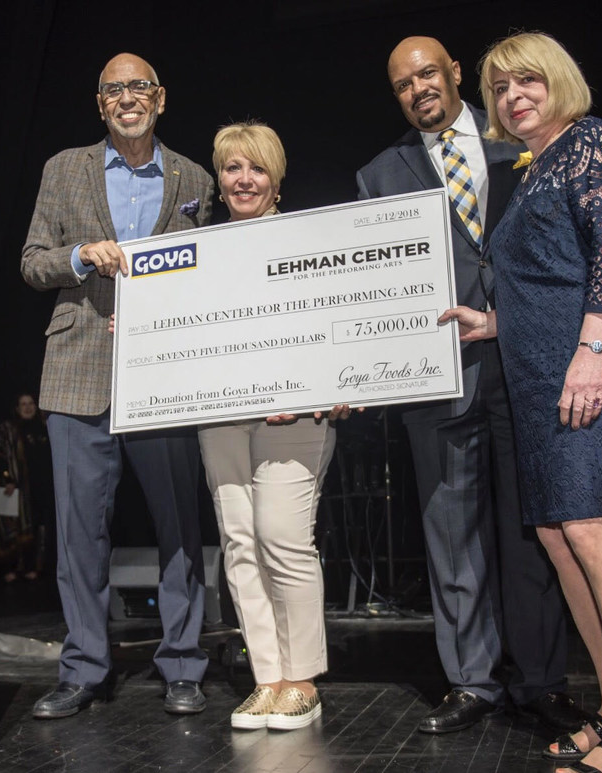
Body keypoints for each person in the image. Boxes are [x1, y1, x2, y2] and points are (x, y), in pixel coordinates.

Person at [440, 31, 602, 773]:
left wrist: (594, 348)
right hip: (540, 372)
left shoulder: (590, 143)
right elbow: (550, 279)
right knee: (559, 536)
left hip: (593, 363)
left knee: (598, 530)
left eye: (527, 81)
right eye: (501, 89)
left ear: (558, 80)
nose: (513, 97)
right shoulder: (536, 167)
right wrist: (494, 323)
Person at [356, 36, 586, 734]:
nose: (418, 87)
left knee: (534, 526)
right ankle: (471, 679)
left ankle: (542, 678)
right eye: (403, 83)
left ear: (455, 72)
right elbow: (373, 286)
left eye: (428, 72)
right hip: (437, 370)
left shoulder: (519, 138)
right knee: (450, 531)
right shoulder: (377, 175)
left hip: (525, 361)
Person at [21, 53, 214, 719]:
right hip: (77, 372)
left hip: (164, 374)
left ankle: (184, 665)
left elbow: (207, 269)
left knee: (180, 528)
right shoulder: (62, 168)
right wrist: (80, 257)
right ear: (100, 103)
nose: (126, 97)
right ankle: (83, 668)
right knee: (79, 535)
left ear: (159, 97)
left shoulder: (194, 176)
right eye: (113, 90)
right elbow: (32, 261)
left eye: (138, 87)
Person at [198, 121, 352, 731]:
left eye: (256, 168)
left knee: (283, 540)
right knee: (240, 544)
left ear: (277, 179)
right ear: (219, 177)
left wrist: (336, 383)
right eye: (233, 168)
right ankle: (267, 677)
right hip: (220, 417)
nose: (244, 179)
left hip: (294, 417)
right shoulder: (202, 251)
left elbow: (339, 319)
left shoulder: (307, 242)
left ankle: (303, 679)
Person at [0, 392, 54, 582]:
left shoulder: (44, 428)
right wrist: (8, 478)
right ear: (17, 408)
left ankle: (33, 567)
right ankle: (10, 568)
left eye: (31, 403)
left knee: (38, 528)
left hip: (41, 488)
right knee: (11, 529)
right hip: (16, 489)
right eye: (23, 404)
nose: (28, 407)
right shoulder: (9, 429)